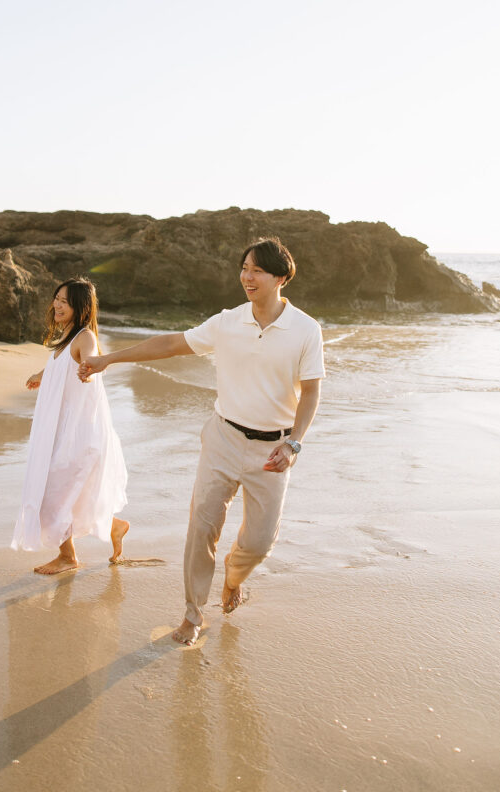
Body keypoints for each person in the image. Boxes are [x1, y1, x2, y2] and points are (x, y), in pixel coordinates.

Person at [78, 237, 324, 644]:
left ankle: (234, 574)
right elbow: (172, 344)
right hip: (223, 438)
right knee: (201, 528)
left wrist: (294, 443)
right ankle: (192, 615)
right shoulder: (228, 322)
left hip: (274, 450)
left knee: (260, 542)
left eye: (257, 270)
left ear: (281, 277)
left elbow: (312, 392)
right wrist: (108, 359)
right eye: (244, 267)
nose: (247, 276)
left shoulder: (305, 329)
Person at [11, 277, 129, 574]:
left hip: (78, 434)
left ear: (81, 307)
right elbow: (60, 366)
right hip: (60, 432)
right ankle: (114, 526)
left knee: (51, 494)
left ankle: (68, 557)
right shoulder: (64, 340)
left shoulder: (84, 336)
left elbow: (89, 358)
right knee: (67, 493)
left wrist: (88, 368)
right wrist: (42, 373)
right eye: (57, 299)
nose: (57, 305)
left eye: (65, 301)